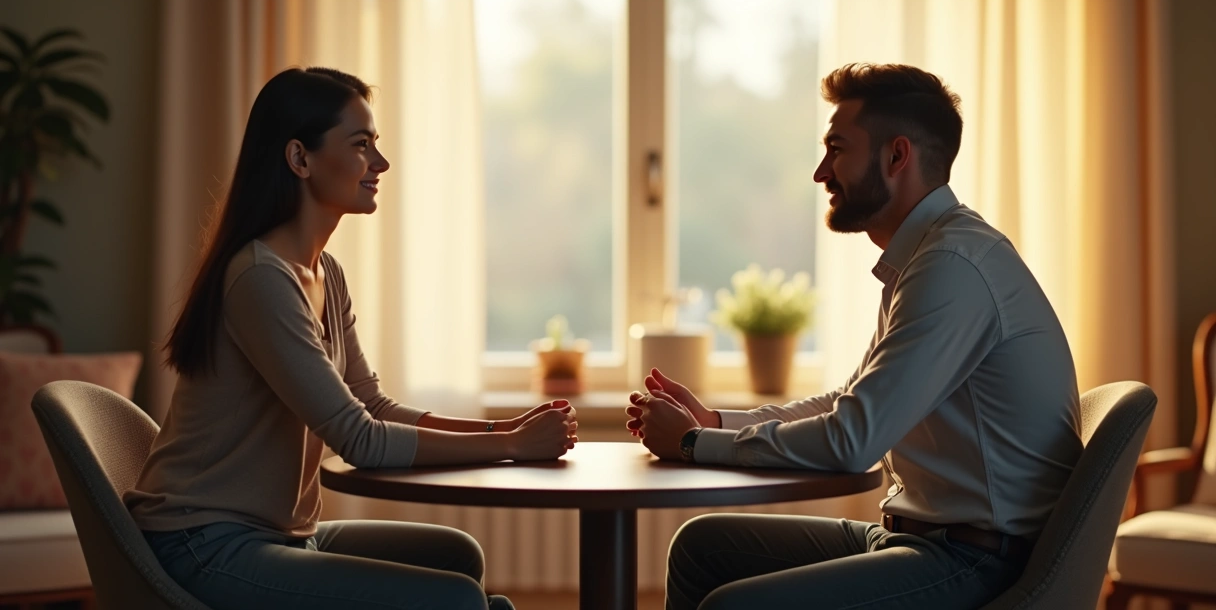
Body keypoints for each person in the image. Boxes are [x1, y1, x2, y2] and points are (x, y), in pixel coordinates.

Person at [625, 63, 1082, 609]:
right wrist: (716, 423)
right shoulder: (926, 258)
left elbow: (851, 441)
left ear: (896, 156)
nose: (821, 172)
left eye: (837, 149)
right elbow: (849, 404)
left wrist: (692, 445)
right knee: (703, 546)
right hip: (921, 539)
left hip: (979, 563)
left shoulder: (952, 266)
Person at [124, 67, 578, 610]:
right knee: (456, 598)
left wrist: (504, 428)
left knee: (459, 556)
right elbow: (359, 438)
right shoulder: (261, 279)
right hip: (203, 544)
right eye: (361, 146)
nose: (380, 164)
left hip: (279, 534)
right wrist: (509, 447)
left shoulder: (325, 272)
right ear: (300, 159)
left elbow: (372, 403)